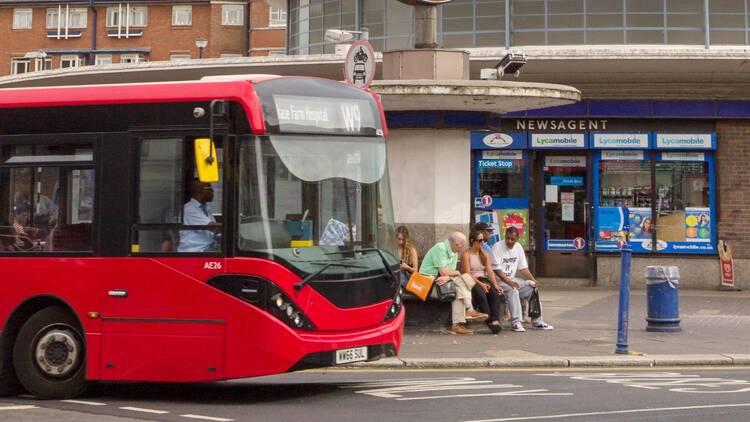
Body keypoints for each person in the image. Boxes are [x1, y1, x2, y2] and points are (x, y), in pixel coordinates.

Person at [419, 232, 488, 335]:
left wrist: (448, 276)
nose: (464, 247)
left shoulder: (454, 252)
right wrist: (455, 273)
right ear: (456, 244)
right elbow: (444, 271)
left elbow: (447, 274)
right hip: (428, 285)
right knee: (464, 278)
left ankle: (457, 325)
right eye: (463, 244)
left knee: (459, 288)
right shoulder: (440, 248)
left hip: (443, 283)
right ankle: (469, 310)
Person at [491, 226, 554, 332]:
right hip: (499, 281)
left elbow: (523, 268)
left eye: (512, 239)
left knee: (532, 288)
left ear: (517, 239)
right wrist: (510, 282)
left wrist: (533, 280)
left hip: (512, 279)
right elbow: (497, 270)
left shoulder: (518, 247)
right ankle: (516, 322)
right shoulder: (497, 247)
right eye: (507, 238)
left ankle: (537, 321)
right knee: (513, 290)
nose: (509, 241)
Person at [461, 229, 503, 334]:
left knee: (494, 294)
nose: (482, 243)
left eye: (483, 240)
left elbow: (489, 271)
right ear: (472, 241)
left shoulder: (484, 254)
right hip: (471, 280)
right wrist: (481, 284)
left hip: (482, 279)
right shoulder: (466, 254)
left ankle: (495, 320)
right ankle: (489, 320)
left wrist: (495, 285)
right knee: (481, 294)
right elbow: (467, 273)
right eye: (480, 240)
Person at [178, 180, 221, 252]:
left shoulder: (205, 208)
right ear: (199, 190)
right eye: (209, 189)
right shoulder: (190, 209)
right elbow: (211, 226)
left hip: (207, 248)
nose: (212, 192)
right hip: (196, 251)